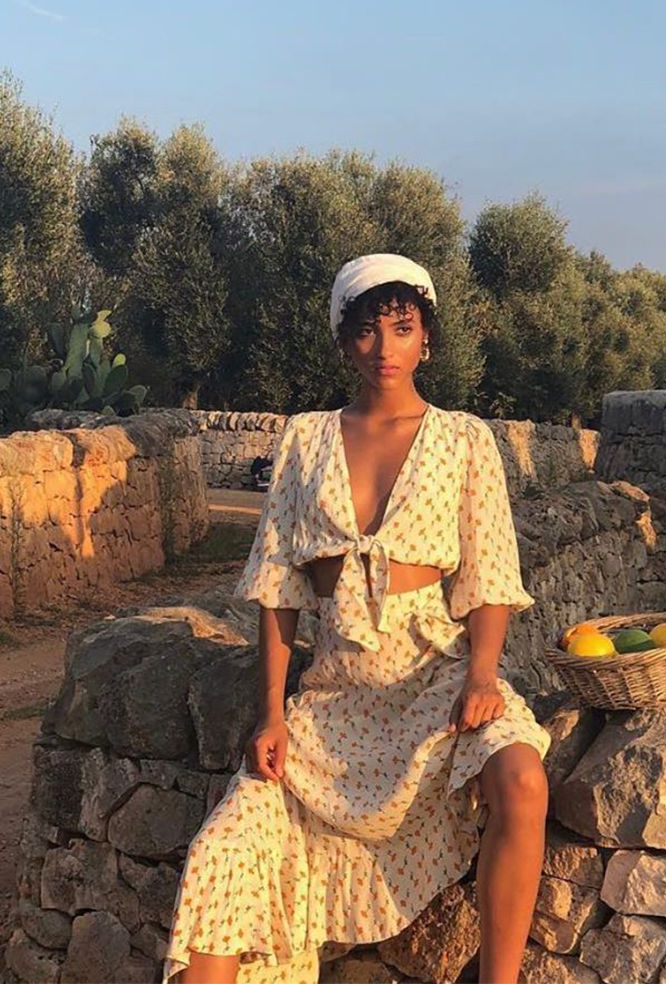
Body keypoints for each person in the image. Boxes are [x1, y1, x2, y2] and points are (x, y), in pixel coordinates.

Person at [163, 253, 552, 984]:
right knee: (223, 850)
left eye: (402, 328)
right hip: (334, 704)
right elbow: (278, 590)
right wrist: (271, 715)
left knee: (522, 778)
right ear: (346, 342)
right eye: (367, 331)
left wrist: (482, 675)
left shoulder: (464, 439)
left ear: (425, 339)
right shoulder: (305, 439)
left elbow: (490, 576)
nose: (384, 348)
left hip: (434, 684)